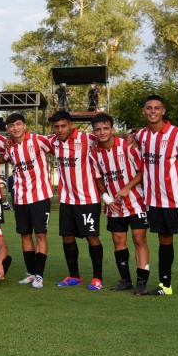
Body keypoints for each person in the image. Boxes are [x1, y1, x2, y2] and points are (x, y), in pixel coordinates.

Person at [135, 95, 178, 300]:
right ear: (144, 111)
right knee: (164, 239)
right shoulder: (142, 135)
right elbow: (129, 137)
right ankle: (165, 285)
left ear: (163, 111)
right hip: (154, 201)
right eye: (149, 108)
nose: (153, 111)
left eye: (157, 108)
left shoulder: (177, 134)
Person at [90, 113, 150, 295]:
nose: (102, 132)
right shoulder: (94, 152)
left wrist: (127, 188)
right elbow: (98, 178)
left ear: (112, 129)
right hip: (114, 206)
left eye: (105, 128)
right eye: (98, 129)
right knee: (118, 240)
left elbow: (142, 171)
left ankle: (142, 282)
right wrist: (106, 199)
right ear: (94, 132)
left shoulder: (128, 146)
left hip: (136, 202)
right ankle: (126, 280)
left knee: (139, 239)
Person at [49, 110, 105, 290]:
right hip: (67, 199)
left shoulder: (87, 138)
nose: (60, 130)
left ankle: (98, 279)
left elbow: (108, 136)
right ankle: (74, 276)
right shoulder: (52, 141)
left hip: (88, 199)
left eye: (63, 126)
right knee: (67, 237)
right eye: (56, 127)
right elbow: (32, 141)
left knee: (92, 237)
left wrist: (132, 137)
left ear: (70, 125)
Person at [3, 113, 52, 289]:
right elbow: (3, 157)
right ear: (8, 129)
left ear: (24, 125)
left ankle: (39, 275)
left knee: (40, 234)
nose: (15, 128)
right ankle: (31, 273)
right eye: (11, 126)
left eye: (18, 124)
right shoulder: (10, 147)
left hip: (40, 196)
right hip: (20, 198)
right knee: (25, 235)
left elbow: (58, 145)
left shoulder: (39, 140)